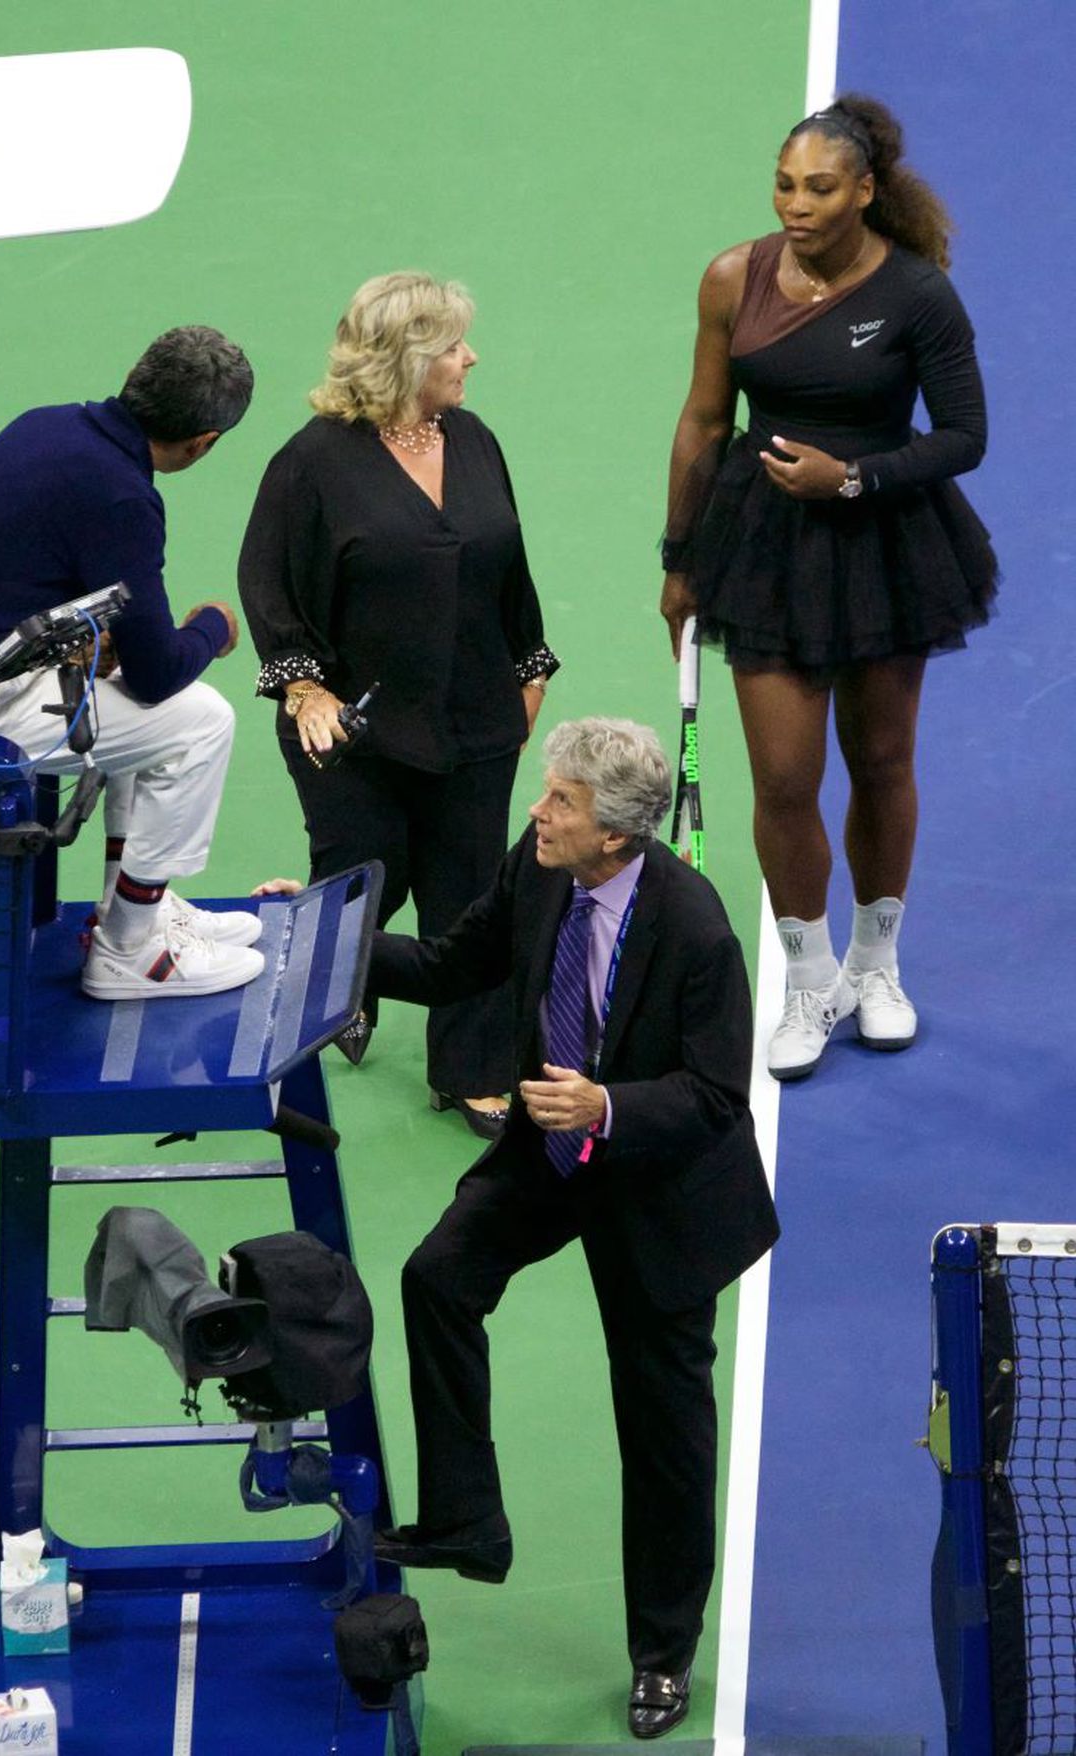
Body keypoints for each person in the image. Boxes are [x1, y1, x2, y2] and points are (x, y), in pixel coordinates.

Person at [366, 718, 778, 1740]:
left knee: (662, 1433)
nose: (538, 812)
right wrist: (328, 944)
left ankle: (663, 1654)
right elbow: (455, 963)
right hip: (551, 1154)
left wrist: (606, 1108)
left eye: (560, 803)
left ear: (616, 836)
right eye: (546, 794)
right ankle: (468, 1516)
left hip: (658, 1187)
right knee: (438, 1275)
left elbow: (720, 1095)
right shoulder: (542, 866)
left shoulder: (694, 927)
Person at [658, 93, 996, 1081]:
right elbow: (703, 422)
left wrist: (851, 478)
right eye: (783, 183)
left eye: (817, 188)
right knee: (782, 778)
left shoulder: (919, 294)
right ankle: (808, 984)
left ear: (863, 192)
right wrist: (677, 556)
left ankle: (876, 965)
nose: (794, 205)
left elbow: (964, 437)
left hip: (888, 539)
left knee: (883, 762)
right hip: (762, 548)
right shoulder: (734, 276)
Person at [238, 271, 558, 1139]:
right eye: (455, 345)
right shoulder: (311, 463)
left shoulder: (475, 438)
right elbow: (269, 590)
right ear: (408, 357)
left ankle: (474, 1070)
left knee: (468, 894)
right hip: (357, 730)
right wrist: (306, 690)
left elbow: (507, 570)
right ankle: (347, 989)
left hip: (474, 717)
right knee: (365, 880)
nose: (471, 357)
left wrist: (529, 673)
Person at [0, 325, 270, 1002]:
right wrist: (213, 627)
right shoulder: (122, 498)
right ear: (203, 443)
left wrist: (98, 638)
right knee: (198, 720)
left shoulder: (46, 426)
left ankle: (137, 904)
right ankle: (131, 950)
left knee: (119, 687)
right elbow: (157, 672)